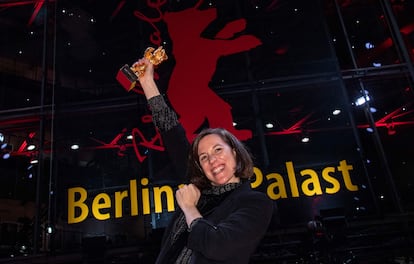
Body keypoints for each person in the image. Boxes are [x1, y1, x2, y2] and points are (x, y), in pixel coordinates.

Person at [134, 57, 274, 264]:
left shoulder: (255, 203)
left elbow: (219, 246)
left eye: (218, 149)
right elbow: (171, 131)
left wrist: (190, 208)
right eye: (204, 157)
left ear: (235, 152)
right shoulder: (199, 190)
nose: (212, 160)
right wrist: (147, 81)